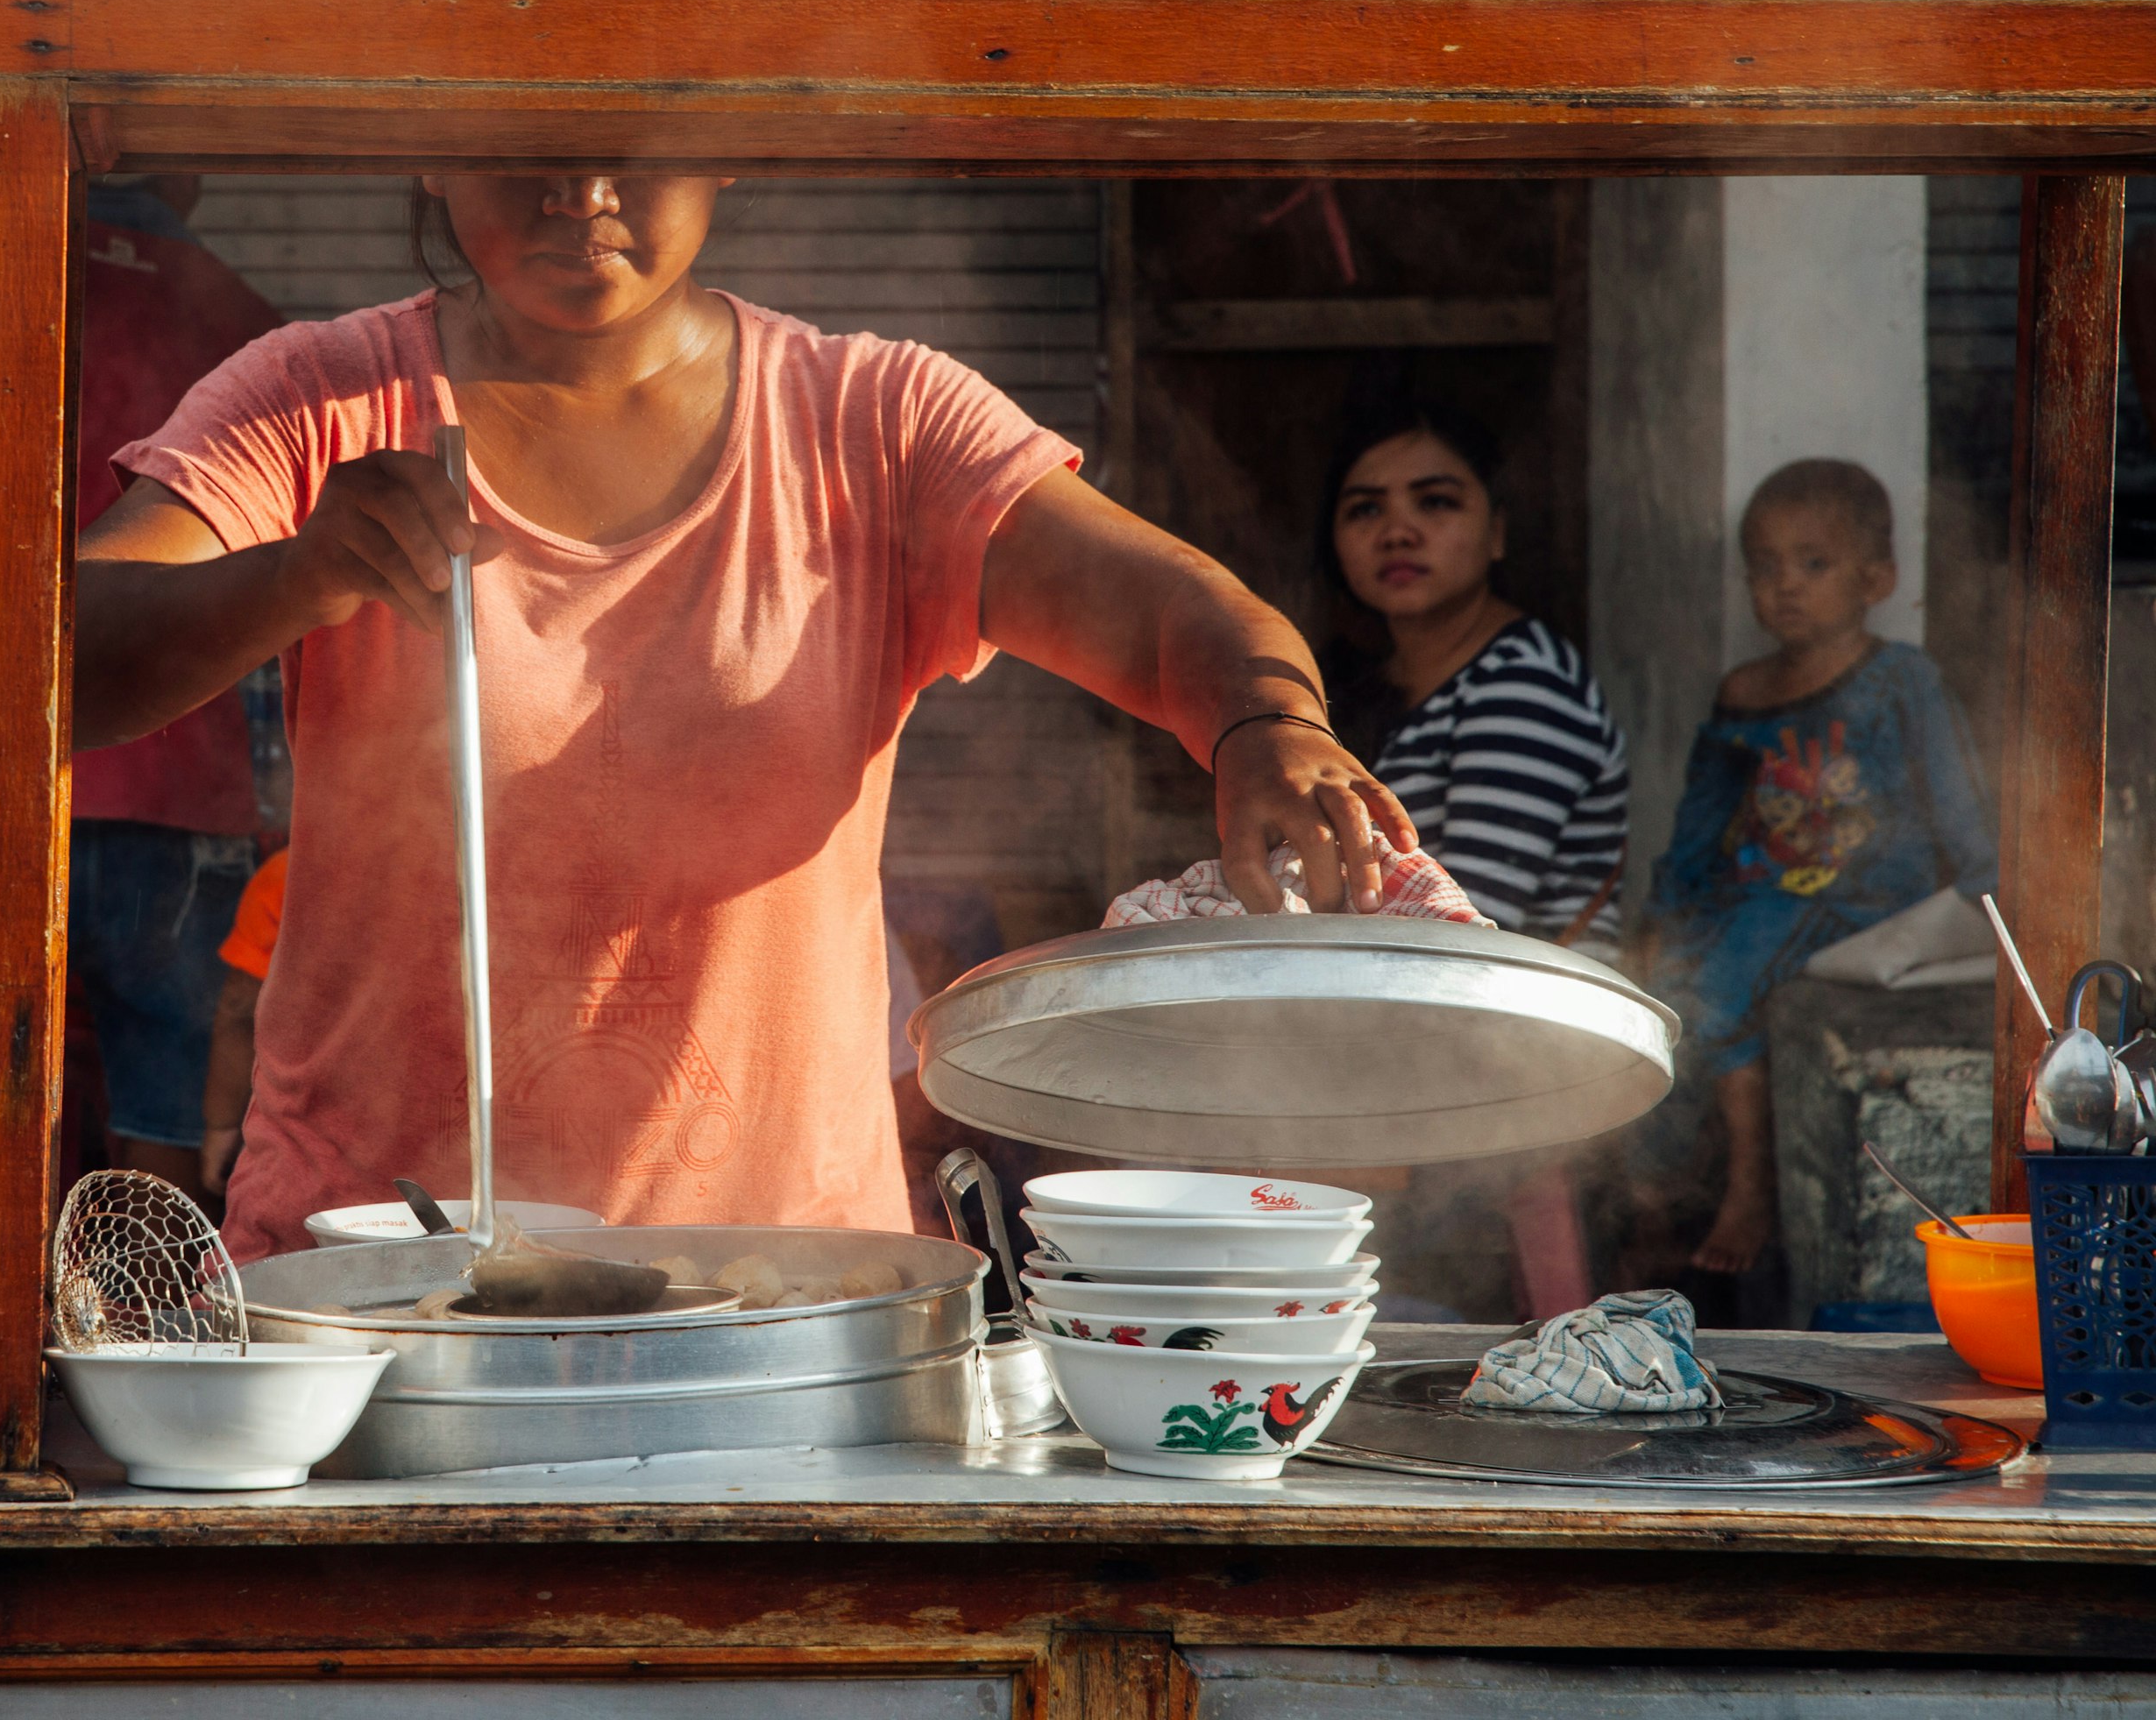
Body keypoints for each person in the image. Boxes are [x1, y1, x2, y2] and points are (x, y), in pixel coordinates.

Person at [74, 172, 1417, 1261]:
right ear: (431, 143)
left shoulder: (875, 421)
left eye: (638, 141)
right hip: (377, 1265)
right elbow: (70, 665)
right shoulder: (313, 398)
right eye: (522, 138)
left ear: (727, 146)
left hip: (779, 1281)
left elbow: (1170, 610)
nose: (580, 189)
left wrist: (1264, 722)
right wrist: (297, 571)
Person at [1632, 458, 1996, 1287]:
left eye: (1813, 564)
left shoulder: (1901, 677)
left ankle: (1749, 1190)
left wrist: (1990, 886)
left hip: (1863, 898)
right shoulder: (1746, 689)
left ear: (1878, 578)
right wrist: (1666, 910)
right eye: (1764, 566)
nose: (1783, 586)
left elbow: (1952, 784)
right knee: (1668, 987)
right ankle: (1651, 1197)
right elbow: (1702, 816)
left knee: (1724, 983)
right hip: (1755, 893)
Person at [65, 175, 280, 1199]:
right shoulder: (240, 322)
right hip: (177, 779)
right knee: (168, 1098)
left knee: (2, 1079)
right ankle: (159, 1333)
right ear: (192, 177)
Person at [1319, 400, 1628, 940]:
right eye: (1366, 510)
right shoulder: (1368, 682)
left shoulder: (1524, 684)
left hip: (1516, 1017)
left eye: (1435, 502)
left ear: (1498, 532)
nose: (1398, 532)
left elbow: (1464, 932)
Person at [202, 847, 289, 1197]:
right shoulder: (465, 868)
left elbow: (240, 1012)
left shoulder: (293, 871)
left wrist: (220, 1129)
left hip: (304, 1158)